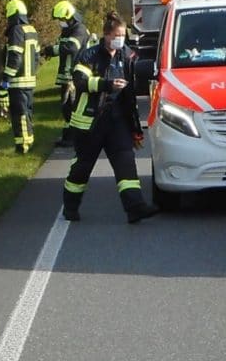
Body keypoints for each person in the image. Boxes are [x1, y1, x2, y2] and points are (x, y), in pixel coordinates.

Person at [62, 14, 157, 224]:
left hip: (117, 121)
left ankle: (135, 208)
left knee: (126, 164)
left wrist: (135, 128)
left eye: (123, 35)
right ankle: (70, 207)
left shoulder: (127, 55)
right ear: (106, 35)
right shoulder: (89, 55)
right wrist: (107, 84)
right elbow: (80, 81)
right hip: (90, 122)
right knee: (82, 167)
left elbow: (134, 85)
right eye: (117, 35)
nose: (120, 39)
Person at [0, 0, 41, 154]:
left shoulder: (16, 31)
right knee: (27, 113)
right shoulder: (31, 30)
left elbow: (14, 57)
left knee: (19, 114)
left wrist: (5, 80)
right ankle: (29, 140)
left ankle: (22, 146)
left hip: (17, 82)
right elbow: (36, 57)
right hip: (29, 81)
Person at [51, 0, 90, 121]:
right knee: (67, 108)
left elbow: (72, 48)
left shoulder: (79, 29)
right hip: (68, 77)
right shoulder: (68, 30)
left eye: (61, 19)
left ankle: (73, 136)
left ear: (68, 17)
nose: (60, 22)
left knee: (73, 107)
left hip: (76, 77)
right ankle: (68, 135)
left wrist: (52, 50)